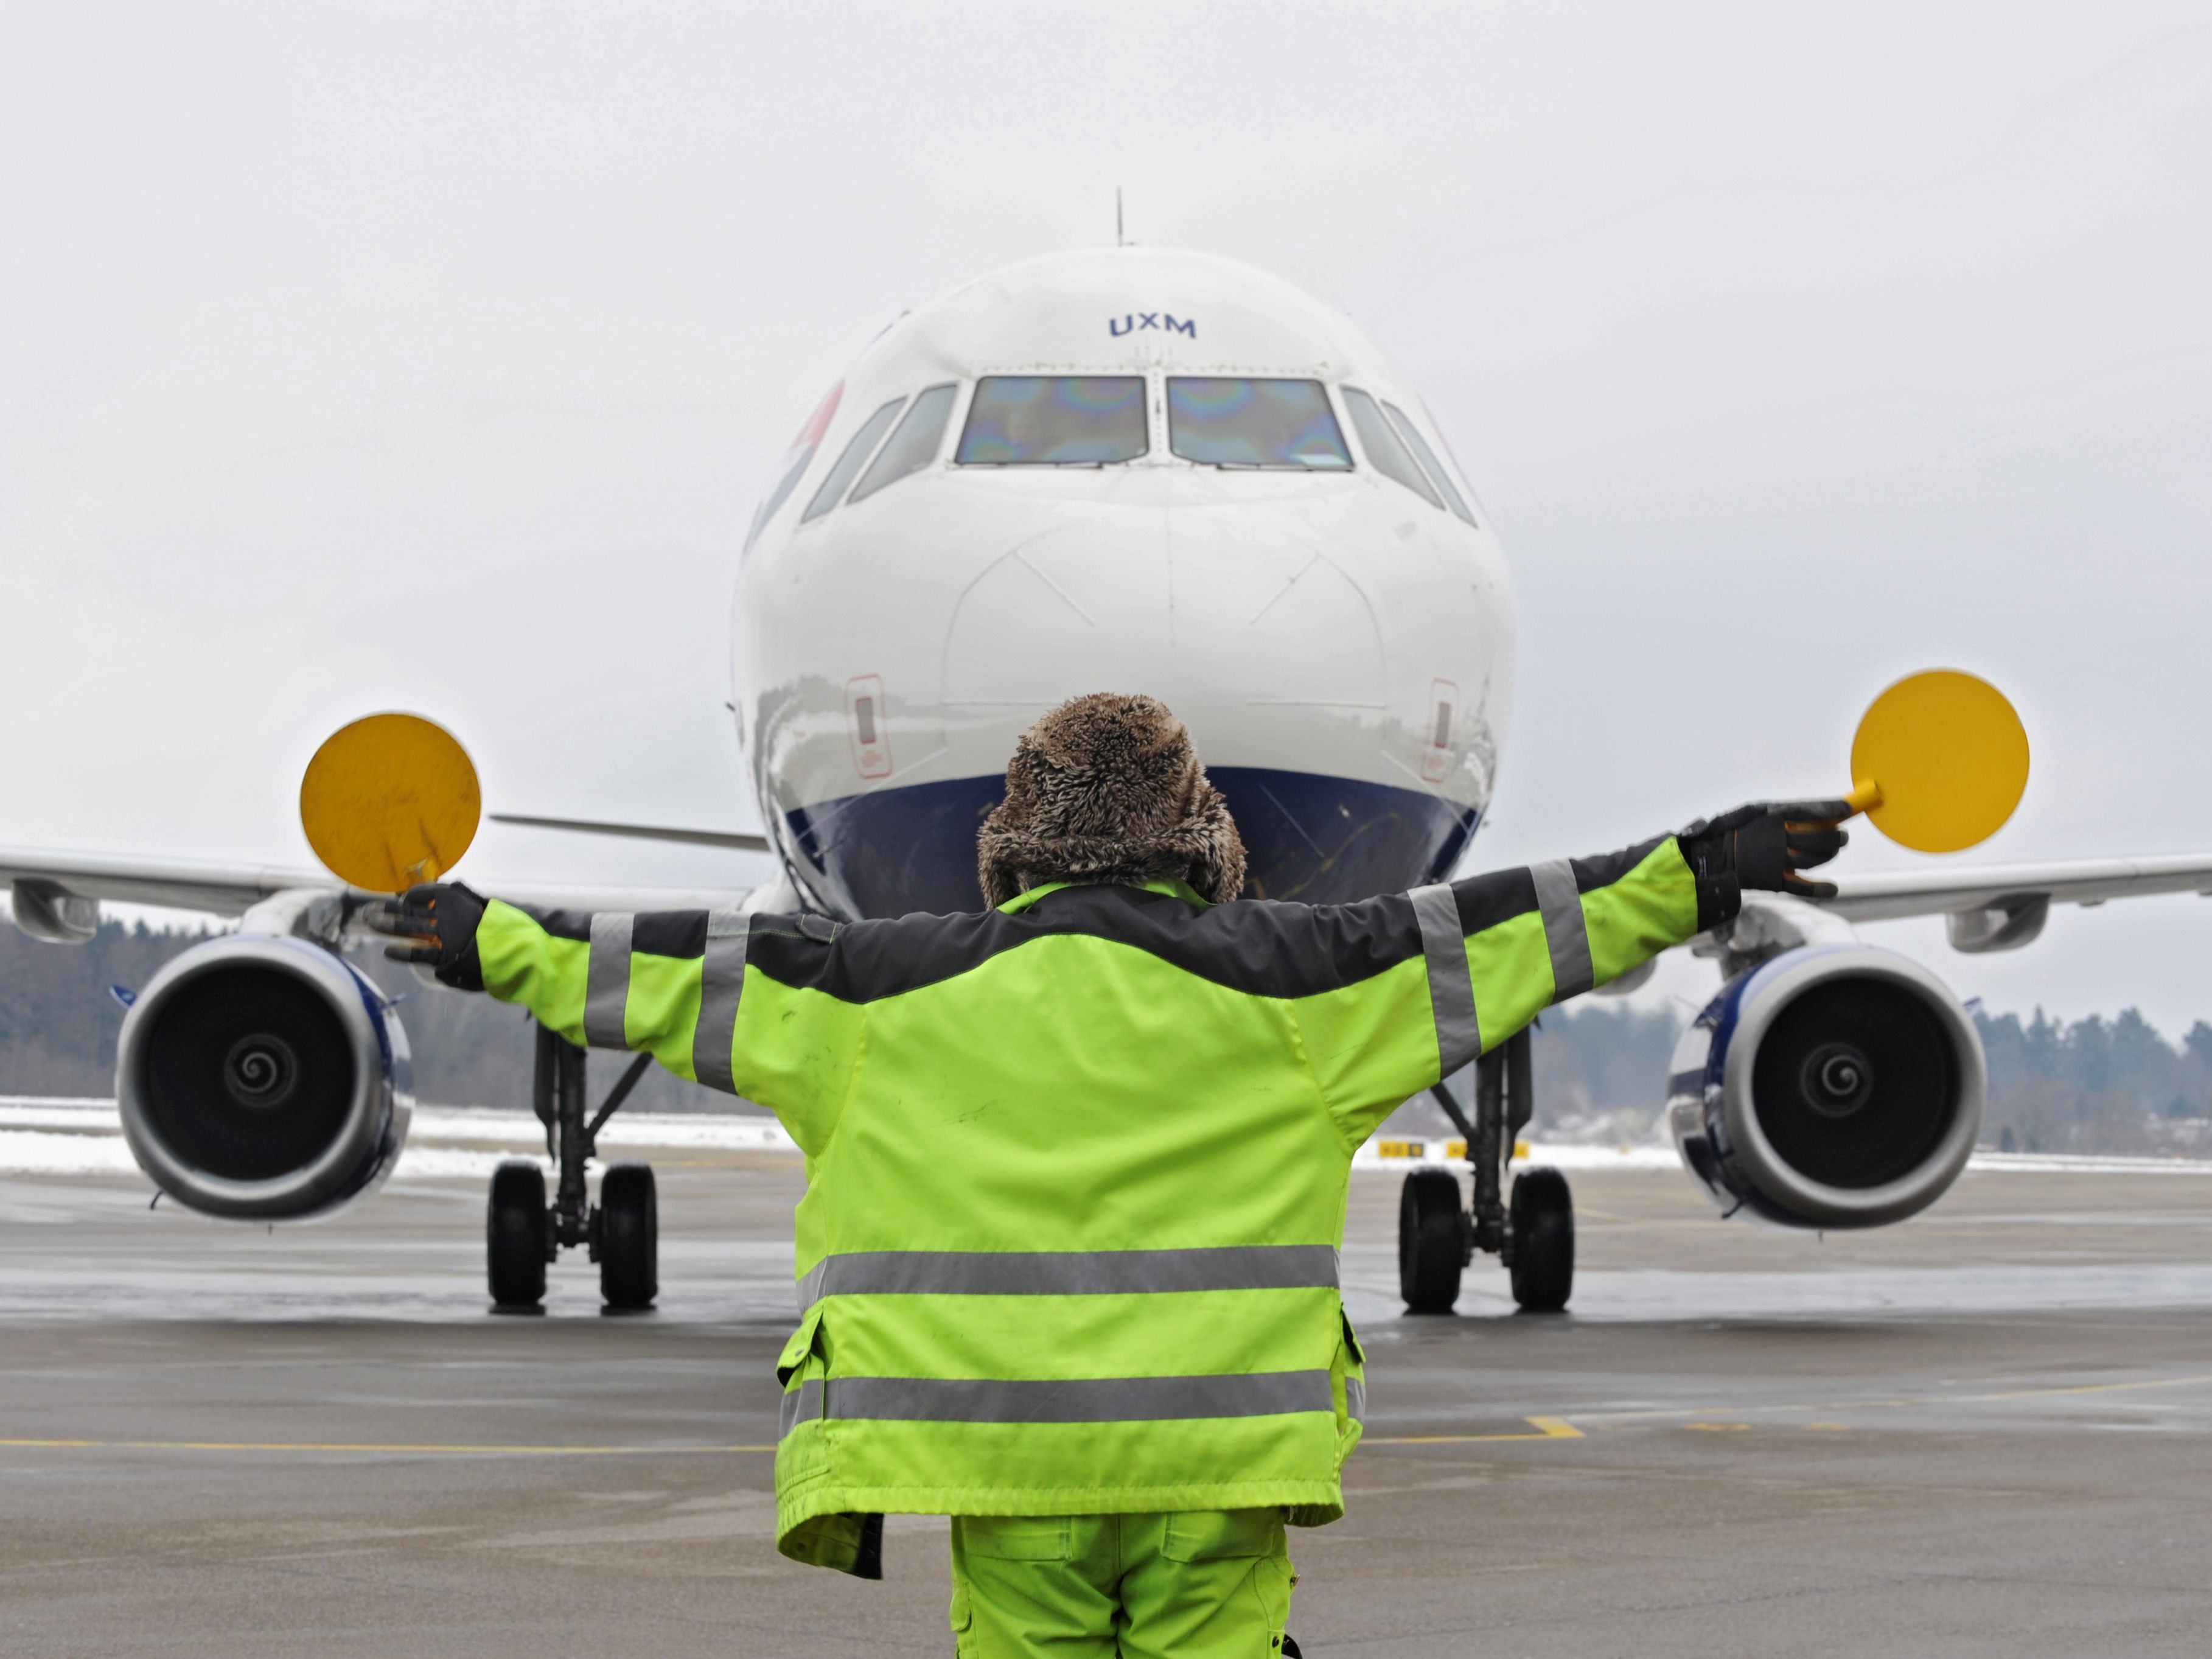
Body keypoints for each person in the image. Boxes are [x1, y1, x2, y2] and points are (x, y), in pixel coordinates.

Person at [369, 692, 1844, 1658]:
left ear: (1010, 845)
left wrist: (481, 932)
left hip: (1007, 1477)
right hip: (1221, 1475)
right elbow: (1527, 927)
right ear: (1201, 837)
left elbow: (642, 972)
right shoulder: (1308, 988)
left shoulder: (868, 997)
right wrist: (1706, 865)